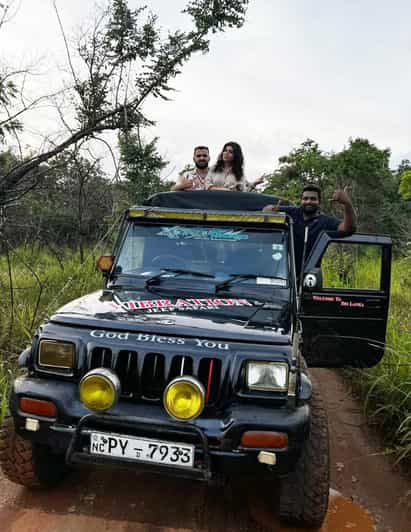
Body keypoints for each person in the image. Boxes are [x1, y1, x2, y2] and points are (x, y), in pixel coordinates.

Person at [263, 183, 356, 272]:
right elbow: (266, 211)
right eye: (305, 198)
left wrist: (347, 204)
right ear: (301, 200)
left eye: (313, 199)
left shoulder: (325, 221)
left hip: (311, 277)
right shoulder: (291, 213)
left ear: (319, 201)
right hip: (284, 274)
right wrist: (270, 210)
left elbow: (348, 229)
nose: (308, 201)